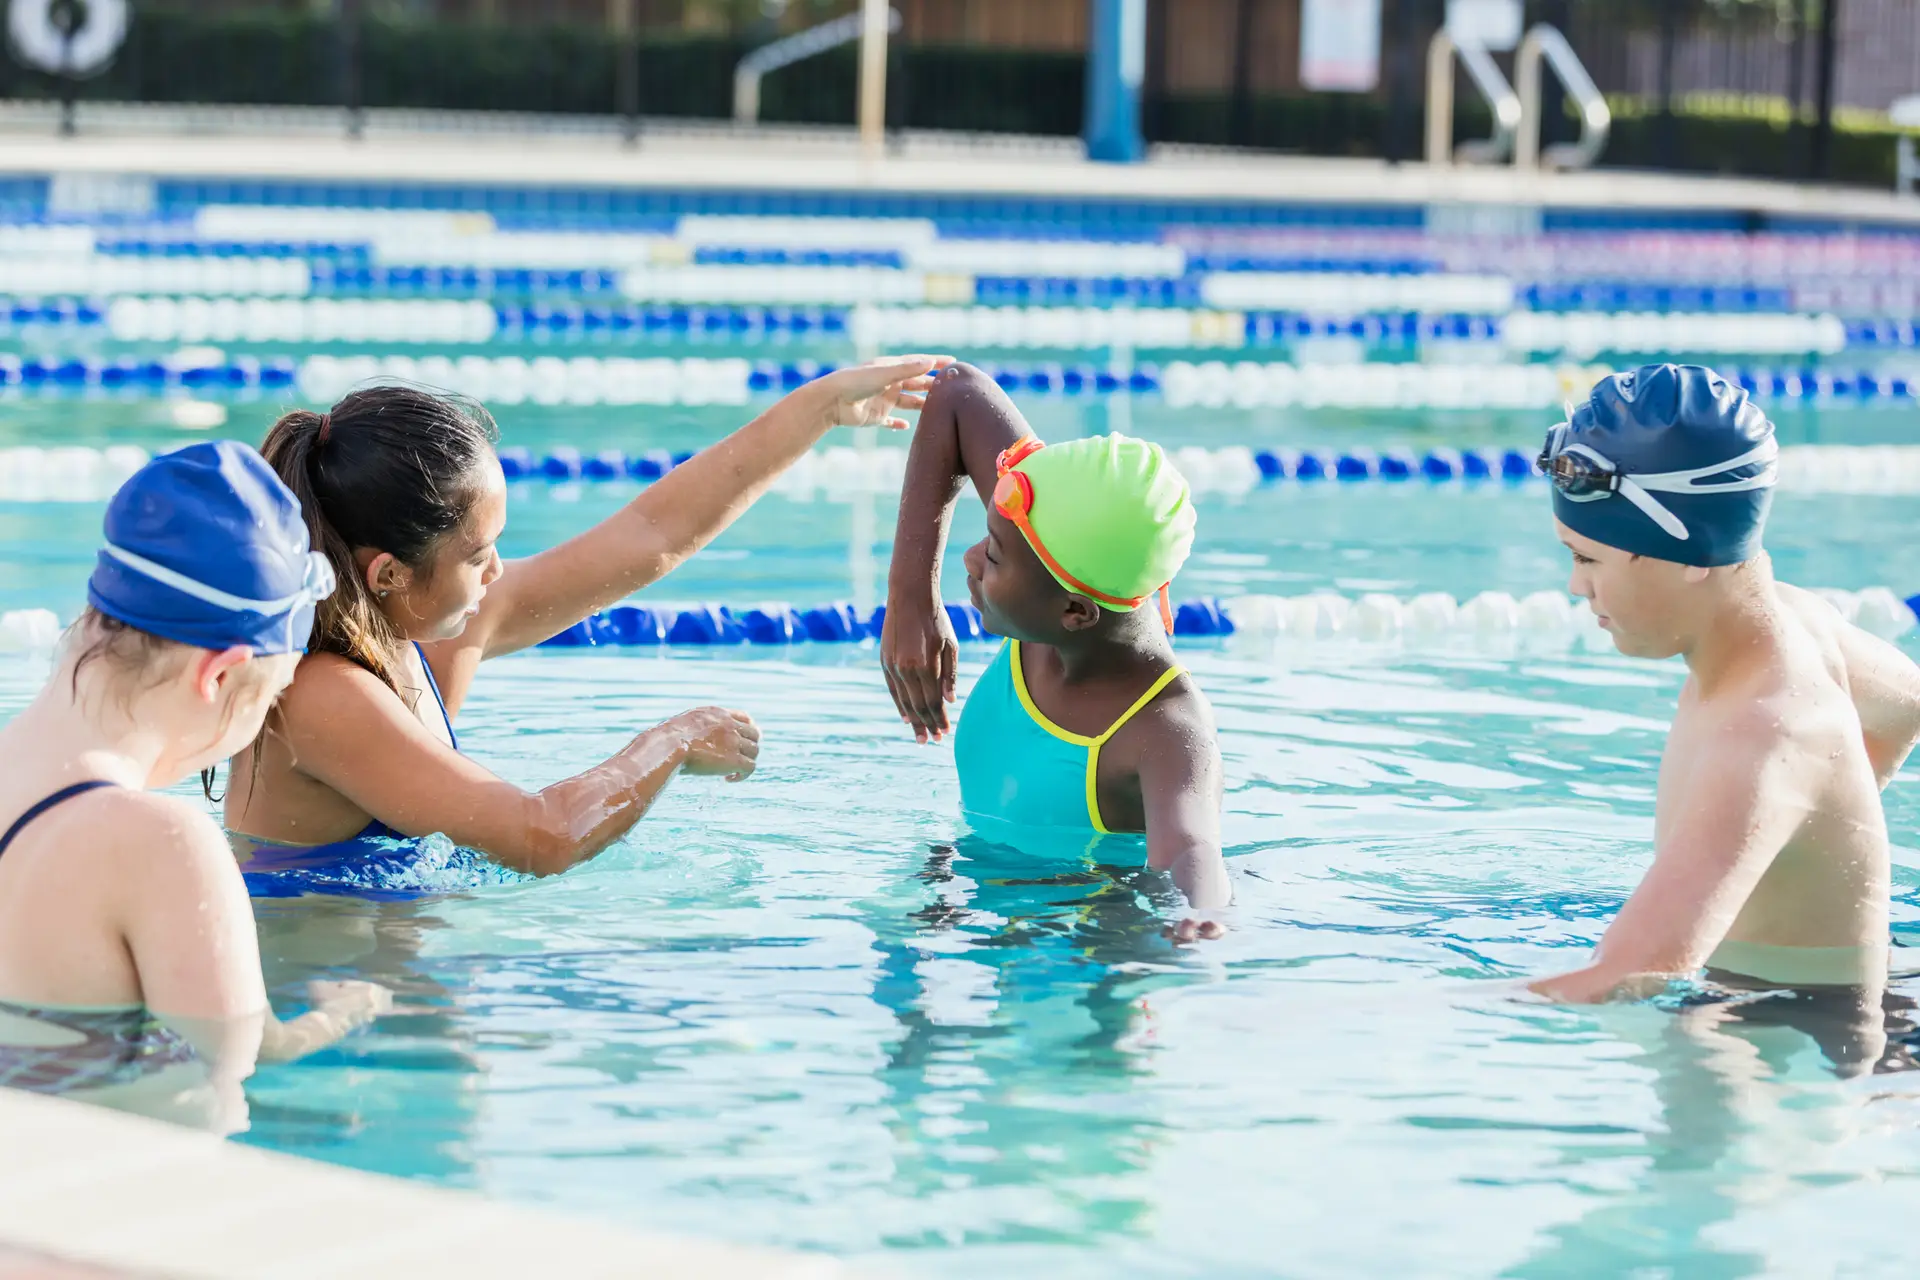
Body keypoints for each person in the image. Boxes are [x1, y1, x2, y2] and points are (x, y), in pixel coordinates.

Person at [223, 356, 946, 891]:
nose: (500, 572)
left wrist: (817, 408)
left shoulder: (416, 635)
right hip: (317, 1027)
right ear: (389, 575)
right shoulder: (321, 697)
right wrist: (673, 741)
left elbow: (647, 534)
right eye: (479, 555)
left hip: (383, 997)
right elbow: (543, 836)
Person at [0, 441, 390, 1123]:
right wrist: (341, 1017)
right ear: (217, 675)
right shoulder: (162, 846)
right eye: (268, 701)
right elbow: (229, 1069)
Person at [1527, 363, 1920, 1017]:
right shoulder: (1798, 622)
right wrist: (1811, 826)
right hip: (1811, 1002)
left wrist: (1373, 1014)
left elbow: (1627, 977)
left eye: (1588, 558)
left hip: (1796, 1040)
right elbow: (1910, 704)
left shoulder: (1767, 736)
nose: (1577, 588)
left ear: (1686, 558)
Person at [879, 362, 1231, 919]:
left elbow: (1191, 848)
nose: (970, 559)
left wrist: (1201, 921)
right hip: (984, 903)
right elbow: (957, 391)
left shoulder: (1162, 729)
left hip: (1086, 948)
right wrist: (909, 596)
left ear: (1075, 611)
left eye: (993, 555)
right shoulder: (1045, 547)